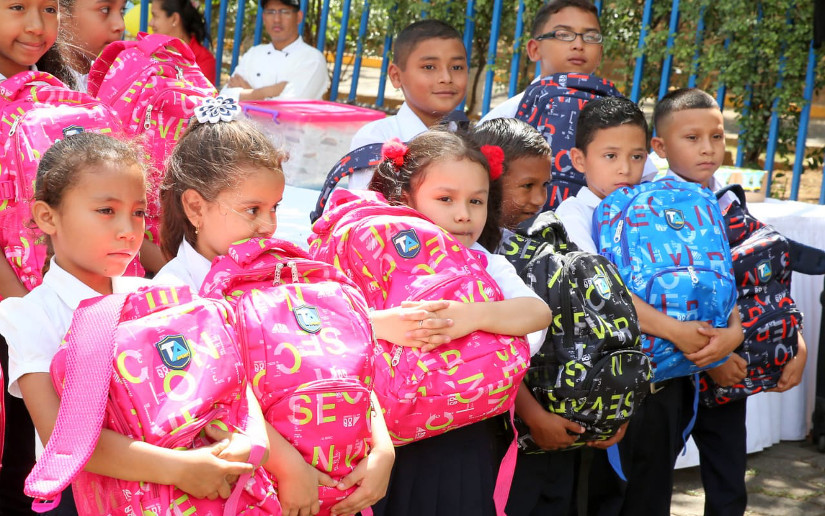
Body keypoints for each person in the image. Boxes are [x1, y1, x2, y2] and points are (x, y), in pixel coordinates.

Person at [155, 110, 421, 516]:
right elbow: (208, 404)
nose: (268, 226)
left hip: (330, 488)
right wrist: (287, 465)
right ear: (195, 207)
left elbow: (339, 363)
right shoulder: (174, 294)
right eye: (252, 209)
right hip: (244, 492)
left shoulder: (289, 272)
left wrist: (381, 447)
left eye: (275, 207)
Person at [0, 133, 268, 515]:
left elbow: (233, 384)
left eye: (139, 212)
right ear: (48, 217)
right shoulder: (27, 316)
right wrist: (180, 470)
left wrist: (249, 442)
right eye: (106, 211)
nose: (129, 229)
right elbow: (62, 436)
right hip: (88, 501)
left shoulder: (163, 296)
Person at [311, 130, 552, 516]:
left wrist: (470, 317)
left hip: (462, 432)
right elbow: (317, 322)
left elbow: (537, 313)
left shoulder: (485, 261)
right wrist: (377, 323)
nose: (463, 213)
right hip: (375, 438)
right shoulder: (369, 247)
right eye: (446, 199)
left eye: (477, 201)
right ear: (405, 198)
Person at [557, 96, 744, 516]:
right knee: (604, 495)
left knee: (653, 493)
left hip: (666, 381)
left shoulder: (659, 203)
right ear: (578, 159)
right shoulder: (572, 217)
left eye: (636, 155)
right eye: (610, 156)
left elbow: (707, 271)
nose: (625, 168)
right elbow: (604, 297)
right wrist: (682, 335)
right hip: (608, 384)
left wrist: (732, 330)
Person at [649, 87, 808, 516]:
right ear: (660, 147)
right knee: (652, 480)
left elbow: (766, 282)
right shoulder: (649, 208)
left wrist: (796, 340)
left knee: (727, 479)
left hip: (729, 372)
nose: (708, 149)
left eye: (716, 136)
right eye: (692, 138)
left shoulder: (729, 203)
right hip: (671, 374)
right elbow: (658, 295)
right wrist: (709, 358)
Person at [346, 20, 468, 189]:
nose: (446, 78)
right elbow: (370, 210)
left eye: (456, 67)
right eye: (429, 67)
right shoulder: (376, 139)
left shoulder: (470, 139)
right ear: (396, 76)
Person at [481, 0, 604, 122]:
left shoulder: (613, 117)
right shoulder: (506, 119)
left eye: (591, 37)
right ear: (534, 50)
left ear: (600, 54)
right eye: (563, 35)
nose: (578, 45)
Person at [223, 0, 329, 101]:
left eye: (285, 12)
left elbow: (288, 109)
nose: (277, 19)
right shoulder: (254, 53)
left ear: (298, 17)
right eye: (270, 12)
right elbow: (224, 97)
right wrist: (265, 92)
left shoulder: (312, 59)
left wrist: (248, 93)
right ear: (264, 17)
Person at [59, 0, 127, 91]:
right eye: (105, 10)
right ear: (62, 16)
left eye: (122, 10)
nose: (120, 25)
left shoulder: (122, 80)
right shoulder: (41, 87)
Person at [149, 0, 216, 85]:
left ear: (174, 19)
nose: (150, 23)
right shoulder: (151, 51)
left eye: (155, 16)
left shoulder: (203, 60)